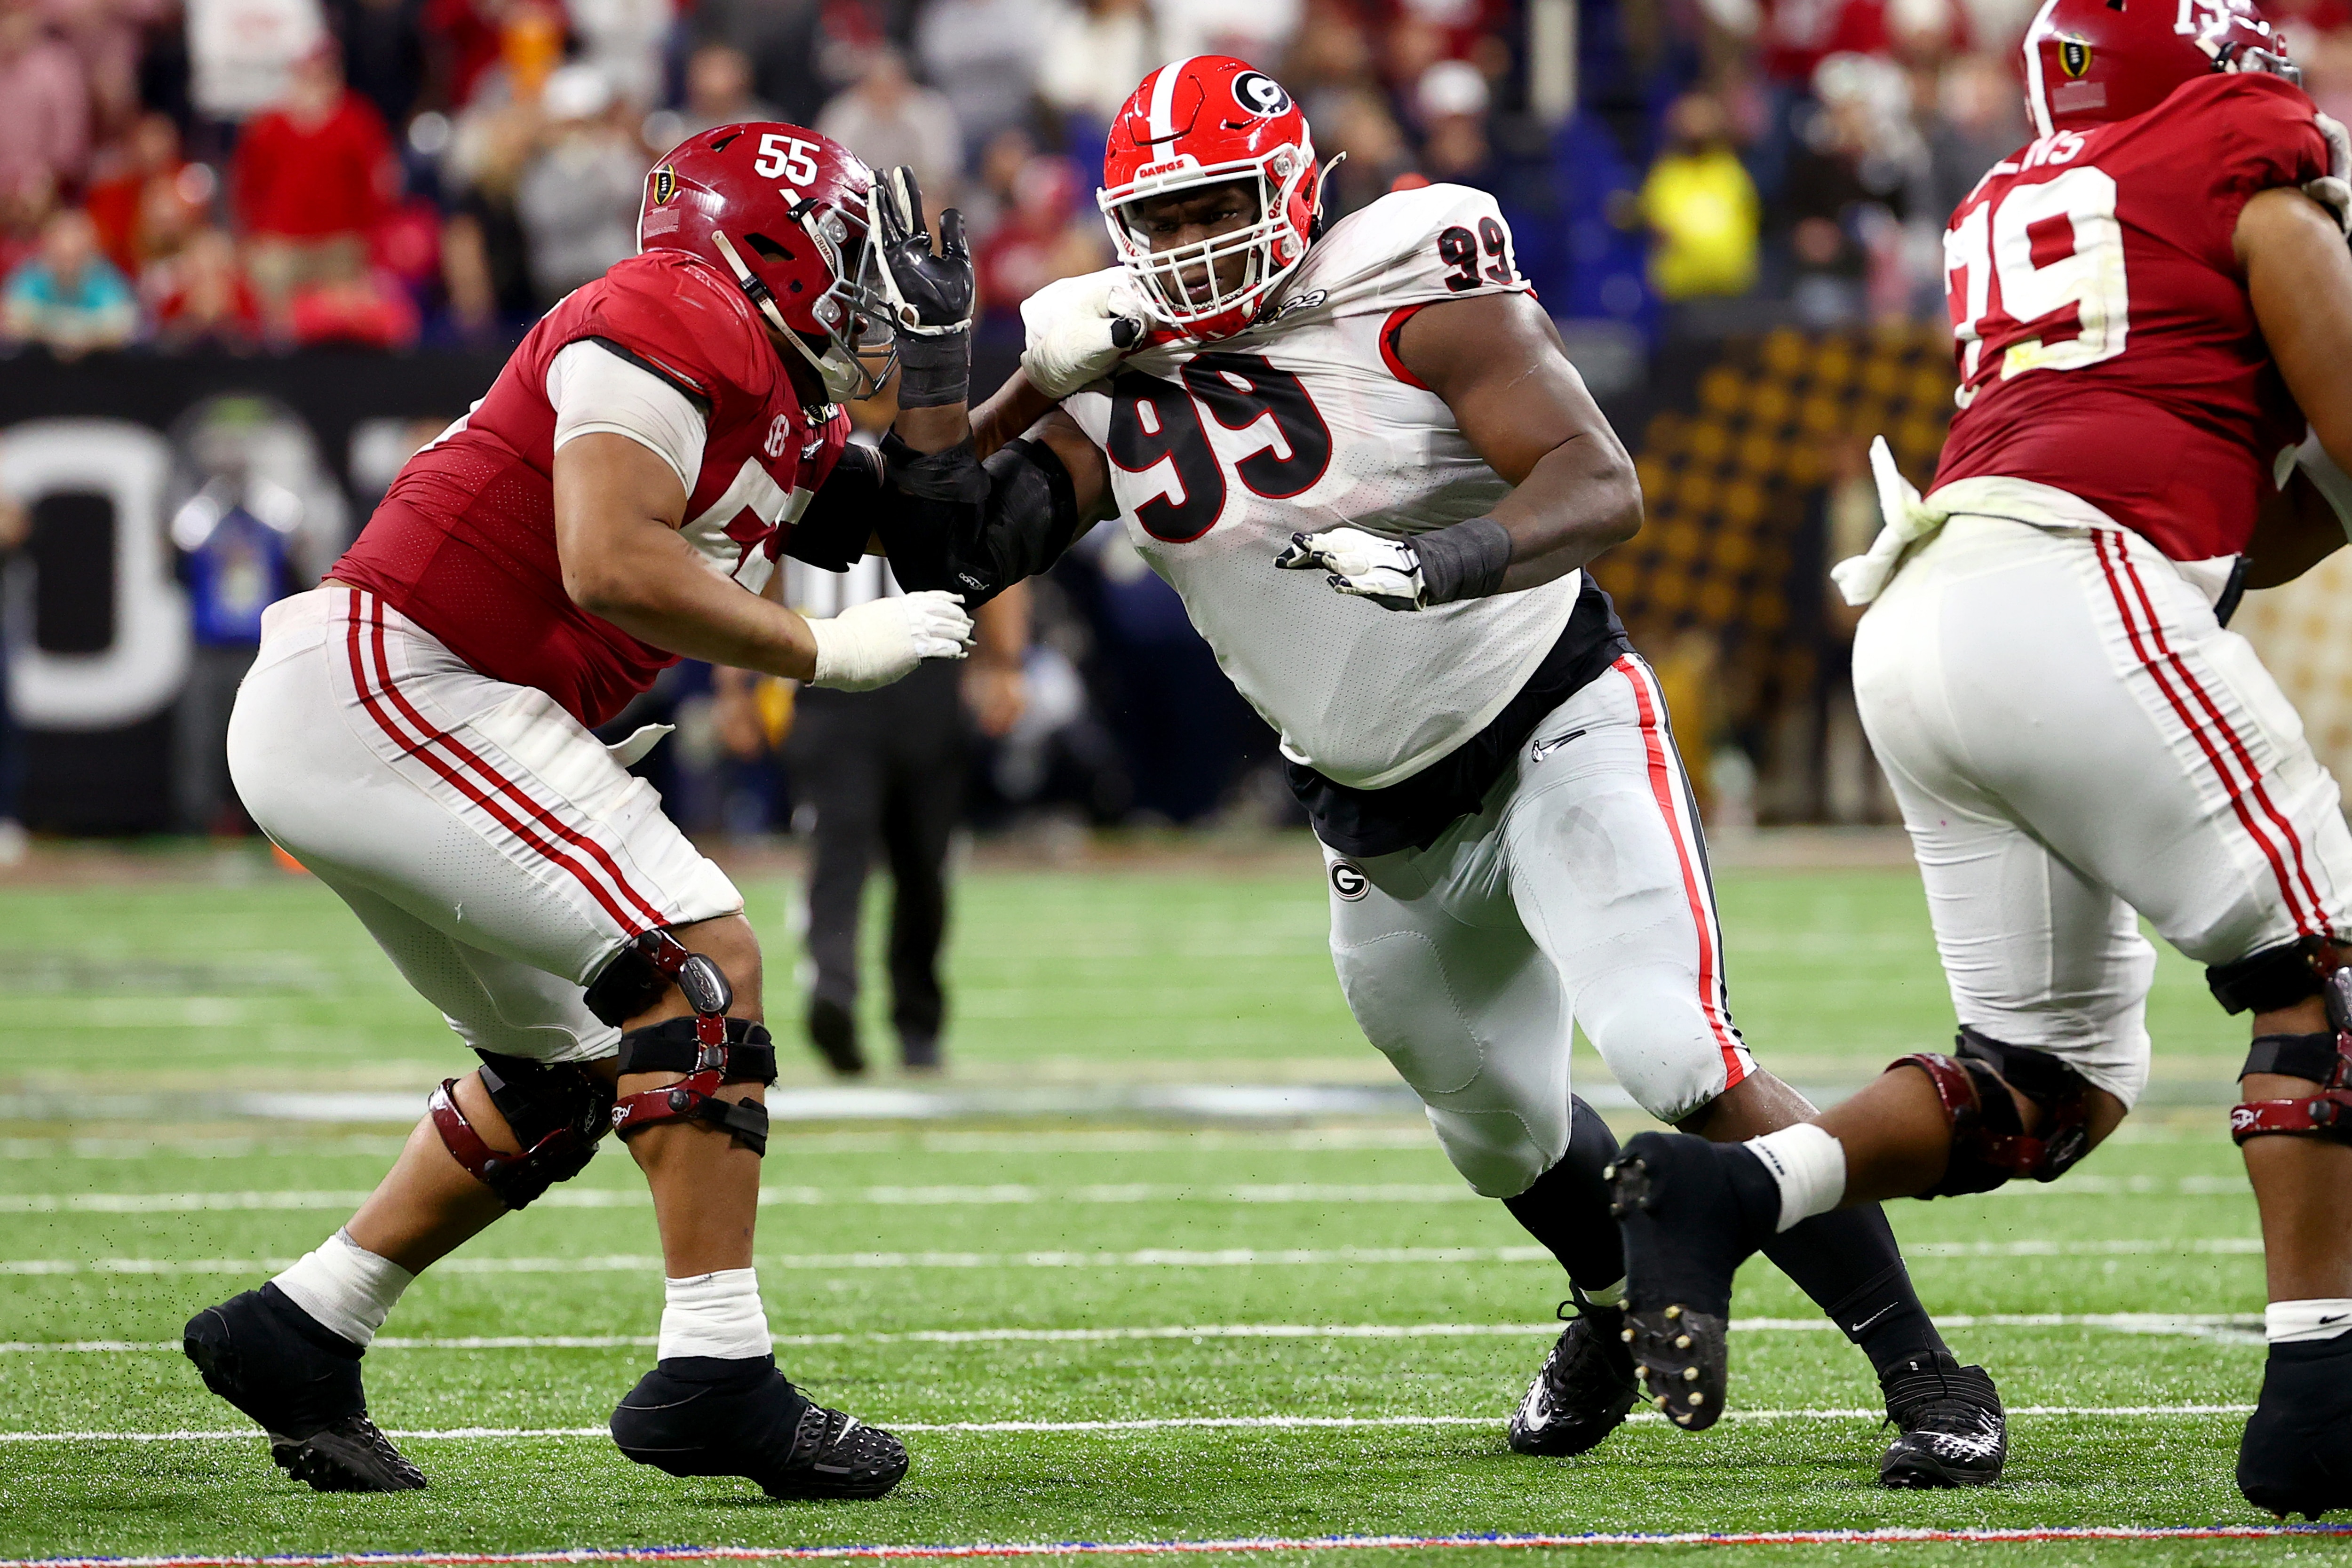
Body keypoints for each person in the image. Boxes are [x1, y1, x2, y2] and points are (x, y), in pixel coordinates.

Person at [862, 55, 2003, 1487]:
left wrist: (1436, 558)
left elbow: (1600, 485)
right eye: (1155, 219)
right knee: (1495, 1129)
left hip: (1550, 724)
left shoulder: (1408, 267)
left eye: (1216, 201)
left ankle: (1925, 1369)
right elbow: (946, 549)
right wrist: (966, 378)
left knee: (1669, 1052)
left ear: (1289, 184)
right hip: (1374, 812)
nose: (1185, 243)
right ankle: (1603, 1302)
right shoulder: (1110, 364)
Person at [1603, 0, 2352, 1521]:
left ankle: (1734, 1188)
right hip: (2075, 597)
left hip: (1932, 609)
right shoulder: (2244, 178)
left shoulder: (2022, 201)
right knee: (2324, 976)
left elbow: (2269, 521)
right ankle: (2321, 1403)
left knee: (2041, 1086)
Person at [181, 126, 980, 1499]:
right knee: (699, 961)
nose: (872, 292)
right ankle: (717, 1371)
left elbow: (938, 525)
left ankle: (305, 1322)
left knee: (560, 1076)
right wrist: (820, 651)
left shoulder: (774, 395)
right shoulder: (672, 309)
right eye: (852, 256)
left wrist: (1025, 375)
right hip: (398, 674)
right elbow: (609, 560)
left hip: (400, 701)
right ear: (769, 243)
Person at [763, 565, 1027, 1075]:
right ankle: (838, 995)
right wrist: (738, 678)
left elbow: (999, 554)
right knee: (841, 852)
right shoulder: (801, 485)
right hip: (828, 667)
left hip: (923, 672)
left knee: (921, 863)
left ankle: (909, 1017)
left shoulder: (949, 483)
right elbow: (764, 554)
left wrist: (1007, 662)